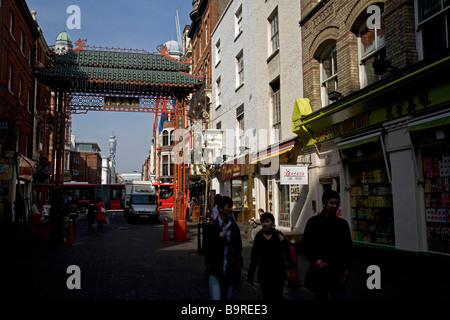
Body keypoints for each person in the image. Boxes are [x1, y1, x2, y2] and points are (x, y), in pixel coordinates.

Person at [302, 190, 352, 300]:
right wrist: (315, 260)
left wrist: (347, 268)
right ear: (324, 204)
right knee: (321, 296)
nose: (335, 206)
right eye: (332, 203)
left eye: (336, 203)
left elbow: (348, 248)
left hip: (338, 271)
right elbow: (306, 245)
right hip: (321, 272)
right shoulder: (313, 222)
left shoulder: (342, 224)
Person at [247, 212, 295, 300]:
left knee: (277, 296)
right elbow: (254, 257)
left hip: (278, 273)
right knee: (266, 296)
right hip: (264, 273)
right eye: (263, 222)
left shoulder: (278, 235)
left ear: (272, 223)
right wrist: (250, 274)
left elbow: (287, 251)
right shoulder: (259, 237)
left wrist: (284, 241)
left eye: (267, 221)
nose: (265, 224)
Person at [204, 196, 243, 300]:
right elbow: (206, 248)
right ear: (221, 209)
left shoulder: (234, 227)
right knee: (216, 298)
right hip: (215, 270)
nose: (231, 209)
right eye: (228, 207)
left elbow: (238, 248)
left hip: (230, 270)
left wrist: (238, 266)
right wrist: (218, 238)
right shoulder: (211, 227)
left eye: (232, 207)